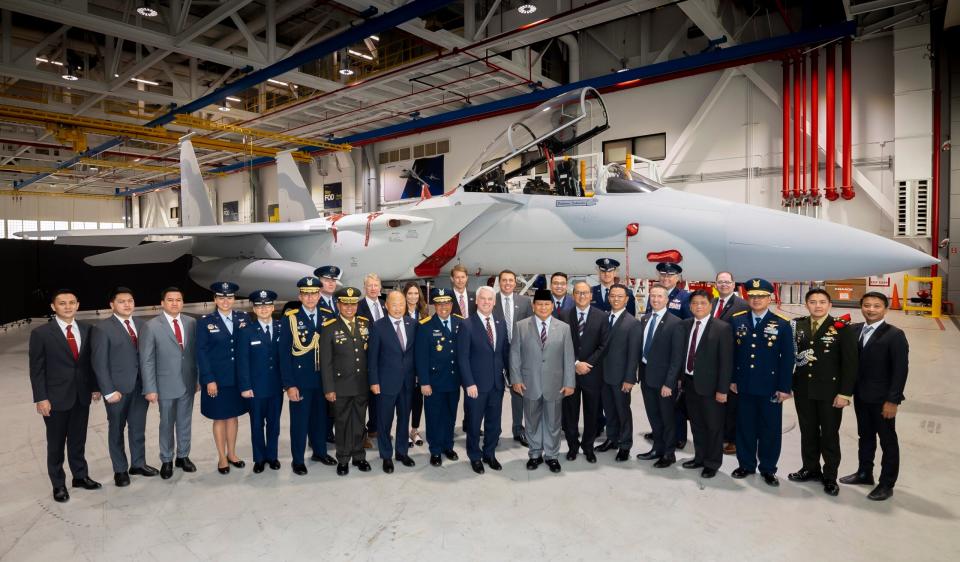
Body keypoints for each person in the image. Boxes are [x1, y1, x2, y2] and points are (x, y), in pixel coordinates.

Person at [29, 289, 101, 503]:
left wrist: (95, 387)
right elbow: (37, 369)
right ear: (53, 307)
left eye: (71, 302)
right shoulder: (41, 334)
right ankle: (58, 484)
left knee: (78, 439)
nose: (68, 306)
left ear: (78, 305)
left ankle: (80, 476)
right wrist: (41, 398)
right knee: (56, 442)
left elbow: (90, 363)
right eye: (62, 303)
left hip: (81, 395)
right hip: (55, 398)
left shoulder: (88, 329)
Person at [787, 288, 858, 496]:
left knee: (829, 434)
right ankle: (810, 468)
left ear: (830, 305)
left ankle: (830, 476)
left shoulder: (842, 328)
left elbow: (850, 364)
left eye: (822, 302)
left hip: (830, 392)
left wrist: (845, 394)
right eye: (812, 302)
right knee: (807, 432)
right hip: (804, 390)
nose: (817, 306)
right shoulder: (797, 325)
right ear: (806, 304)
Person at [840, 292, 909, 502]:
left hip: (882, 399)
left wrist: (893, 400)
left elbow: (900, 370)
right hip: (861, 396)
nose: (871, 309)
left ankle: (887, 483)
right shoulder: (855, 330)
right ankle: (864, 473)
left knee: (887, 440)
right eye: (867, 305)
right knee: (865, 436)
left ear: (885, 309)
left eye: (876, 306)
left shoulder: (894, 335)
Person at [729, 278, 794, 486]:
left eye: (761, 296)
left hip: (770, 387)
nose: (756, 300)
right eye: (753, 296)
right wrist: (732, 379)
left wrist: (784, 387)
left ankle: (768, 468)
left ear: (770, 298)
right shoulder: (737, 320)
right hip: (744, 384)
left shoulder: (782, 323)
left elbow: (787, 358)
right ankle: (746, 464)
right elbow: (732, 353)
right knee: (745, 426)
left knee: (770, 430)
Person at [90, 286, 157, 487]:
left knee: (138, 428)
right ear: (112, 305)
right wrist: (108, 391)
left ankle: (138, 463)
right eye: (122, 301)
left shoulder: (142, 324)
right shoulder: (102, 328)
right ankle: (120, 470)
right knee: (116, 430)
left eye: (130, 300)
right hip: (117, 390)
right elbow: (99, 363)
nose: (127, 304)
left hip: (140, 387)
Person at [510, 289, 575, 473]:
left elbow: (568, 357)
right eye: (539, 304)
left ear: (552, 306)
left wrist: (569, 382)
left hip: (555, 383)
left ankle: (552, 456)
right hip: (529, 383)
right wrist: (516, 378)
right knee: (531, 420)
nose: (543, 307)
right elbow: (515, 354)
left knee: (554, 422)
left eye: (547, 304)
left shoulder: (563, 328)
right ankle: (535, 453)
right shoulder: (521, 326)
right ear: (533, 306)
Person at [279, 276, 337, 476]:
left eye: (314, 293)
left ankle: (319, 452)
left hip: (322, 380)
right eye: (306, 294)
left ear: (319, 294)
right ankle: (297, 459)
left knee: (321, 419)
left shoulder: (328, 315)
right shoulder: (291, 317)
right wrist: (289, 384)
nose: (311, 298)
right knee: (299, 422)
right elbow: (284, 354)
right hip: (300, 380)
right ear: (300, 296)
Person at [140, 286, 198, 480]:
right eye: (171, 300)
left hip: (188, 382)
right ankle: (166, 459)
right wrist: (150, 388)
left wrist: (197, 379)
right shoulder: (151, 326)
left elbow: (195, 355)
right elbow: (146, 360)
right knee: (166, 423)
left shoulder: (191, 322)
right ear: (162, 303)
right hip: (164, 385)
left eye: (179, 300)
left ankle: (183, 456)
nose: (175, 303)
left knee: (185, 421)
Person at [678, 290, 733, 479]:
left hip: (712, 388)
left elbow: (726, 363)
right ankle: (699, 457)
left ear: (711, 305)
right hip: (690, 384)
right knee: (697, 424)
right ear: (690, 306)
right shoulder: (685, 325)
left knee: (713, 426)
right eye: (694, 303)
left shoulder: (722, 328)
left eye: (703, 303)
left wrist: (722, 390)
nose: (698, 306)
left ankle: (712, 462)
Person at [196, 281, 249, 474]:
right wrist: (209, 379)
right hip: (216, 381)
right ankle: (221, 457)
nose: (225, 301)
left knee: (233, 417)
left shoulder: (243, 318)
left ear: (234, 299)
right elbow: (201, 353)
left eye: (229, 297)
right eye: (221, 297)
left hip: (237, 379)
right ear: (215, 299)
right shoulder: (205, 322)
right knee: (219, 418)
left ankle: (232, 454)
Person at [320, 287, 373, 476]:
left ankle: (359, 456)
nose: (349, 308)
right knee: (342, 423)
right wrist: (328, 388)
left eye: (353, 304)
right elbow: (325, 362)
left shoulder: (364, 324)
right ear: (338, 305)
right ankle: (343, 459)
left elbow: (370, 356)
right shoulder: (329, 327)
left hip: (361, 384)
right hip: (340, 386)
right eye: (345, 304)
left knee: (359, 422)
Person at [457, 285, 510, 474]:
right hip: (476, 386)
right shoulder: (467, 325)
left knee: (494, 423)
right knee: (473, 424)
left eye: (490, 299)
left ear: (494, 303)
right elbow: (462, 358)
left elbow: (504, 353)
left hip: (496, 384)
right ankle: (475, 456)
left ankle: (489, 453)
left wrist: (510, 378)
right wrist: (469, 383)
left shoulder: (500, 322)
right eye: (483, 299)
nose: (487, 302)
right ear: (476, 301)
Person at [368, 290, 418, 473]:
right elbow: (372, 357)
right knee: (385, 421)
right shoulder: (378, 326)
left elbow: (415, 354)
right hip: (385, 383)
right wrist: (373, 381)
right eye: (394, 304)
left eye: (401, 304)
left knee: (404, 419)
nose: (398, 308)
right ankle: (386, 455)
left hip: (407, 382)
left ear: (406, 306)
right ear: (386, 306)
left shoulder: (412, 324)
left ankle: (402, 452)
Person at [636, 284, 685, 468]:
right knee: (653, 416)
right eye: (653, 296)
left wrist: (670, 383)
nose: (655, 300)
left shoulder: (675, 322)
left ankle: (669, 453)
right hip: (647, 378)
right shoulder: (645, 319)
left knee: (667, 418)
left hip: (664, 382)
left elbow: (677, 357)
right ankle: (657, 447)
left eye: (659, 297)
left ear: (667, 300)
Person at [644, 262, 692, 449]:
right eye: (663, 275)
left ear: (678, 278)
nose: (666, 278)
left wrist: (679, 371)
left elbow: (688, 328)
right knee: (658, 407)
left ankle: (678, 436)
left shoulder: (684, 297)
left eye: (670, 276)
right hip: (654, 362)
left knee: (675, 405)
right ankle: (661, 434)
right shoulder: (654, 295)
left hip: (674, 359)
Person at [561, 281, 610, 463]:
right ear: (573, 296)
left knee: (592, 413)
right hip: (570, 373)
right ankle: (573, 447)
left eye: (585, 293)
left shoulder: (602, 317)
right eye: (578, 293)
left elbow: (604, 345)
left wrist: (587, 363)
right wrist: (575, 363)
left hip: (592, 373)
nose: (582, 296)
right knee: (570, 413)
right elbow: (561, 343)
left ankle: (588, 447)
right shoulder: (564, 315)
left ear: (591, 296)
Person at [237, 289, 284, 474]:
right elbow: (242, 362)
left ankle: (272, 456)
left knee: (274, 424)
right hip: (255, 389)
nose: (263, 309)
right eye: (259, 306)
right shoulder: (246, 331)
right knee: (257, 424)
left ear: (273, 307)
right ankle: (259, 458)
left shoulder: (282, 327)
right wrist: (245, 386)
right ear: (254, 309)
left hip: (276, 387)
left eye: (267, 305)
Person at [415, 288, 463, 466]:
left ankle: (447, 446)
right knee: (434, 415)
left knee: (450, 415)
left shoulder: (460, 323)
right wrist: (424, 382)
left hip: (453, 379)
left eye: (447, 303)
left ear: (452, 304)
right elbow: (421, 357)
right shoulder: (425, 325)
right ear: (434, 305)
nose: (444, 307)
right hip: (434, 382)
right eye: (440, 303)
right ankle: (435, 450)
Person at [597, 284, 641, 460]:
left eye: (619, 296)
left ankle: (625, 444)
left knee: (623, 411)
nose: (615, 299)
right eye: (612, 296)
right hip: (604, 375)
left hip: (621, 377)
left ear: (626, 299)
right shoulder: (604, 318)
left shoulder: (633, 323)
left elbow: (633, 354)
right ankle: (612, 438)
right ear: (609, 298)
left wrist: (630, 378)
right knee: (609, 410)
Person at [712, 271, 750, 455]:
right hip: (712, 362)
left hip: (733, 361)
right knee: (715, 402)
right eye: (720, 282)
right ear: (716, 284)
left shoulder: (743, 305)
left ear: (734, 284)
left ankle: (732, 439)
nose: (724, 285)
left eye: (727, 282)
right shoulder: (710, 303)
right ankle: (718, 436)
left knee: (732, 403)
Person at [495, 269, 533, 448]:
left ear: (515, 283)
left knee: (518, 392)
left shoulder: (525, 302)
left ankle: (518, 429)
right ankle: (493, 430)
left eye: (511, 280)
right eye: (504, 280)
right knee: (494, 393)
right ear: (499, 282)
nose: (508, 283)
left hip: (518, 354)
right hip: (495, 354)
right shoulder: (490, 299)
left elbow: (529, 328)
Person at [357, 272, 386, 446]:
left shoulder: (385, 305)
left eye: (376, 285)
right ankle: (362, 435)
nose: (373, 288)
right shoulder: (358, 307)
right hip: (364, 360)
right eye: (370, 286)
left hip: (382, 360)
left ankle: (375, 428)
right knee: (363, 399)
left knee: (378, 398)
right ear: (365, 288)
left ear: (380, 287)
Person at [313, 265, 341, 445]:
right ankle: (317, 437)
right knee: (319, 404)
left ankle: (328, 432)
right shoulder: (314, 303)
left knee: (333, 401)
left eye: (333, 280)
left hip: (338, 362)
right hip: (319, 362)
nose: (331, 283)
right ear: (319, 282)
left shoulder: (339, 302)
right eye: (327, 280)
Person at [403, 281, 428, 448]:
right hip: (404, 364)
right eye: (409, 293)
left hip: (420, 363)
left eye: (415, 293)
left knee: (418, 399)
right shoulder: (399, 312)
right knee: (404, 399)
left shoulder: (424, 313)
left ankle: (414, 430)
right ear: (404, 295)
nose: (413, 296)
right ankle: (401, 431)